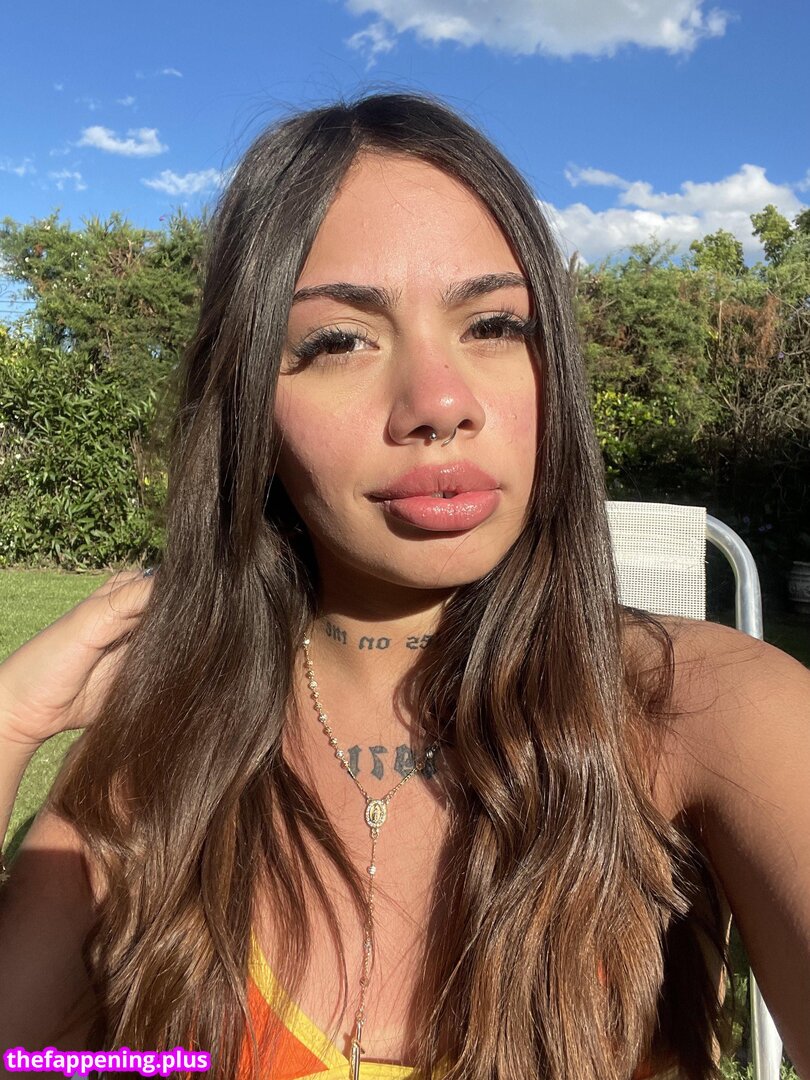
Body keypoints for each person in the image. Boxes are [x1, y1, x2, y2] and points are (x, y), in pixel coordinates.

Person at [1, 90, 808, 1080]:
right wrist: (10, 720)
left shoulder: (706, 712)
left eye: (495, 324)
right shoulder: (162, 751)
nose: (439, 402)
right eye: (339, 340)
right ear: (249, 403)